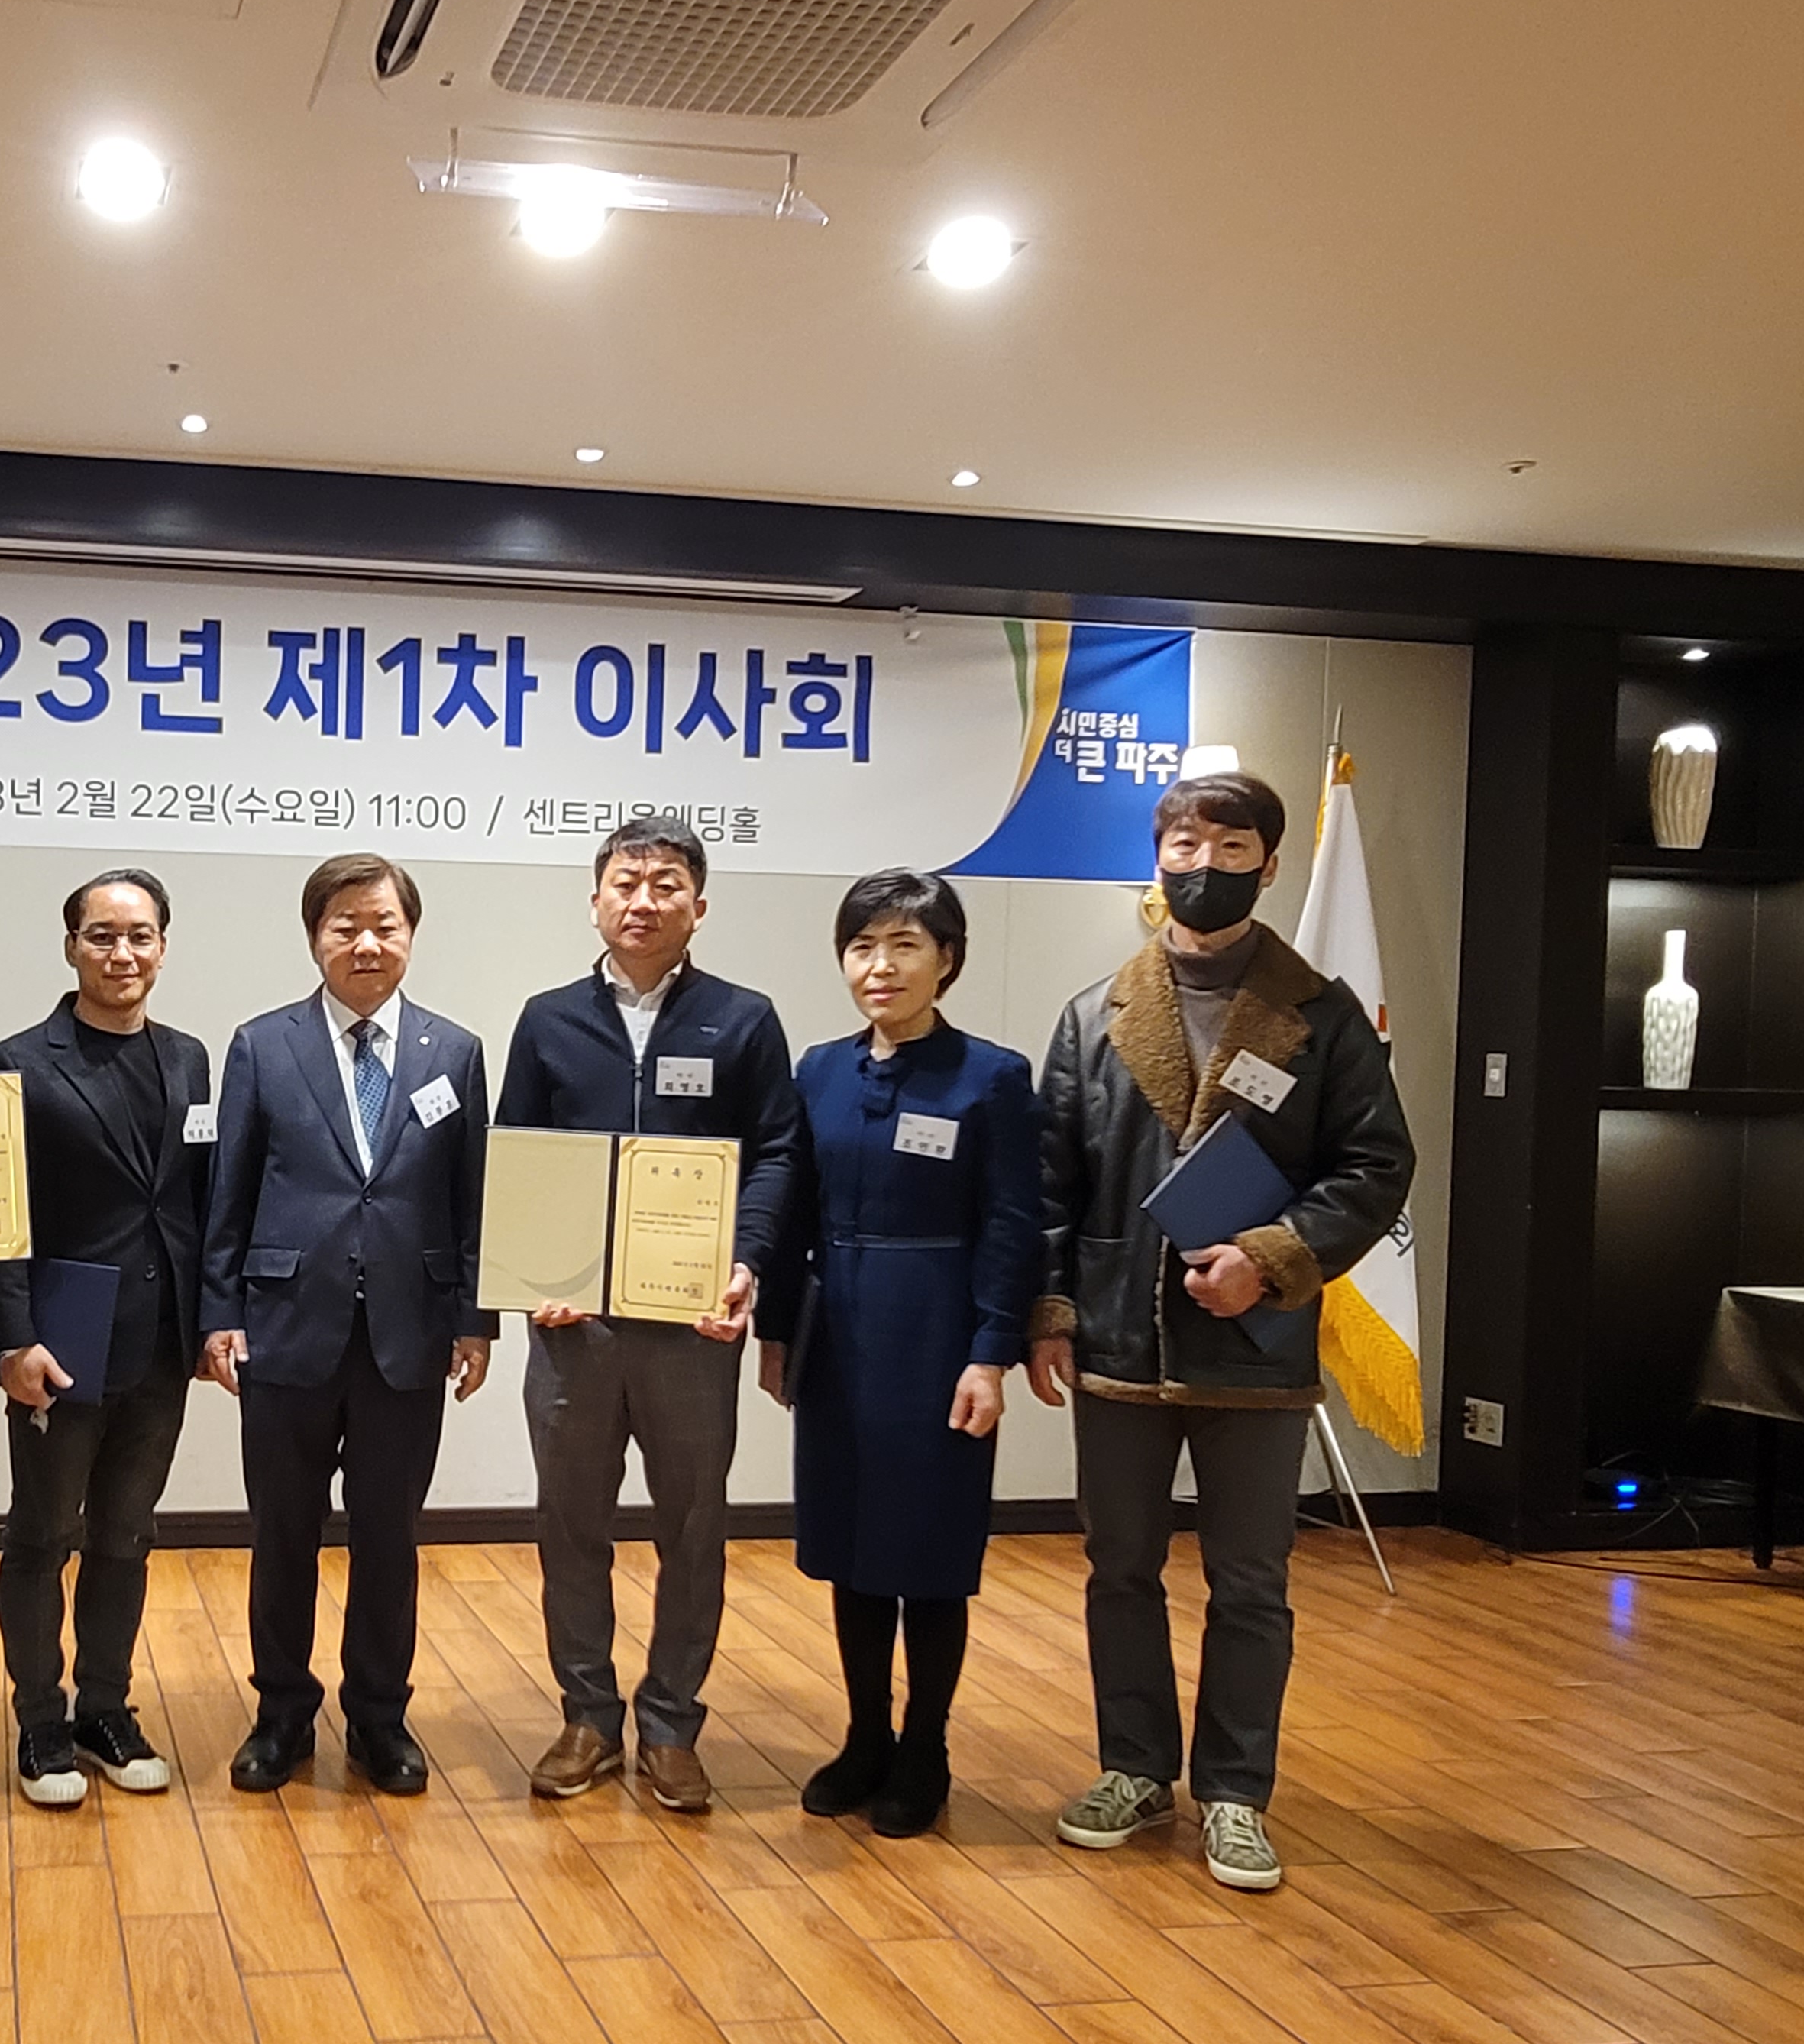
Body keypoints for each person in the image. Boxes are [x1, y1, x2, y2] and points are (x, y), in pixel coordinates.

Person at [1029, 770, 1413, 1892]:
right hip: (1120, 1338)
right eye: (1185, 846)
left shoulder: (1323, 1014)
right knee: (1120, 1568)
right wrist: (1050, 1312)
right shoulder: (1092, 1014)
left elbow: (1374, 1165)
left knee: (1251, 1582)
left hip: (1257, 1348)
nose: (1205, 865)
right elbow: (1051, 1183)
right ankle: (1134, 1768)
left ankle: (1237, 1793)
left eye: (1231, 847)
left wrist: (1274, 1258)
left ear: (1270, 864)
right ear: (1158, 860)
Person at [499, 815, 800, 1814]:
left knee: (694, 1527)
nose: (643, 900)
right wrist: (534, 1270)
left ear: (698, 906)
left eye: (665, 884)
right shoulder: (548, 1019)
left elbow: (777, 1153)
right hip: (573, 1330)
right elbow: (520, 1151)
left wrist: (747, 1261)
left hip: (692, 1329)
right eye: (625, 883)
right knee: (569, 1527)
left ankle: (671, 1725)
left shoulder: (742, 1020)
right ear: (595, 900)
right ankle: (588, 1716)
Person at [202, 853, 494, 1797]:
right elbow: (229, 1192)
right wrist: (219, 1314)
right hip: (285, 1327)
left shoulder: (453, 1051)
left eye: (384, 925)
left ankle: (379, 1716)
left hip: (408, 1336)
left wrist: (475, 1319)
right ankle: (281, 1713)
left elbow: (471, 1198)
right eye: (344, 926)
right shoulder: (263, 1044)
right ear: (313, 937)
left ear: (411, 934)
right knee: (281, 1534)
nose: (366, 943)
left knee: (389, 1538)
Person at [758, 871, 1039, 1839]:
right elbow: (792, 1212)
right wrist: (778, 1332)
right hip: (837, 1328)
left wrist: (990, 1353)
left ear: (946, 960)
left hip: (937, 1330)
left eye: (904, 946)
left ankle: (927, 1746)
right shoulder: (819, 1071)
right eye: (862, 946)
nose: (880, 966)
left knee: (931, 1551)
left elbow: (1012, 1225)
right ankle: (864, 1736)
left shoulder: (991, 1076)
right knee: (851, 1546)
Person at [0, 869, 211, 1806]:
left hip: (160, 1344)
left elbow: (196, 1202)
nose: (122, 954)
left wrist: (211, 1321)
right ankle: (40, 1720)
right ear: (71, 946)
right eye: (102, 936)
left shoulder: (190, 1059)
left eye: (140, 936)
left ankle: (104, 1708)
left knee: (126, 1535)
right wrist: (12, 1338)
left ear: (164, 947)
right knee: (42, 1535)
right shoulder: (17, 1061)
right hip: (60, 1340)